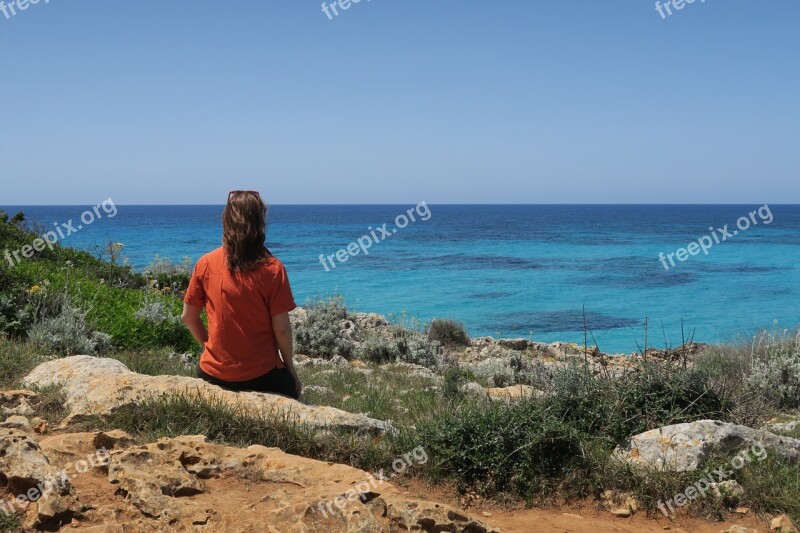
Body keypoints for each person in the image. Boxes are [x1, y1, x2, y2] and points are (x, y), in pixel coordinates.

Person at [181, 190, 302, 399]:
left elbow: (188, 317)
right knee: (292, 392)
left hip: (212, 374)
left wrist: (211, 349)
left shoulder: (205, 263)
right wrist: (290, 368)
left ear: (226, 220)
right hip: (262, 375)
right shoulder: (272, 268)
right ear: (259, 222)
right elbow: (281, 329)